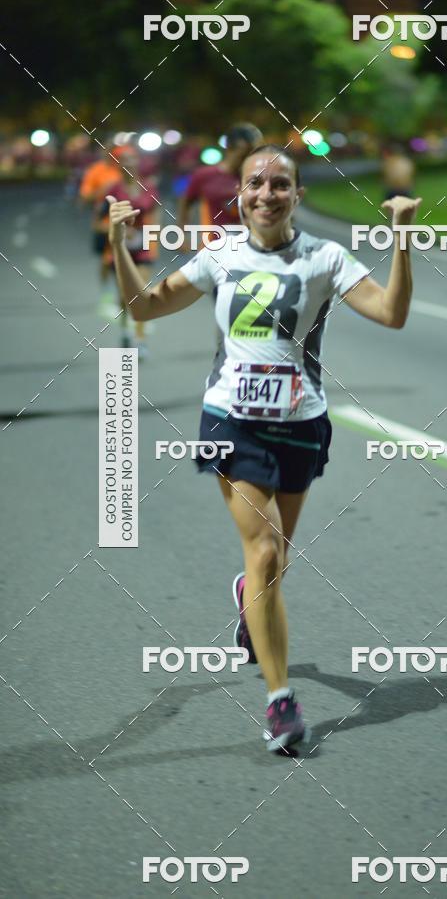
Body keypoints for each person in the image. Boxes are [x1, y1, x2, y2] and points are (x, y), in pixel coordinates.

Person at [108, 144, 421, 753]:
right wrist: (121, 247)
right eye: (256, 183)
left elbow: (391, 313)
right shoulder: (218, 256)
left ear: (297, 195)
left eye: (281, 184)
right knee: (268, 553)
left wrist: (402, 239)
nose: (267, 193)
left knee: (277, 561)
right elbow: (145, 303)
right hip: (233, 422)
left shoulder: (326, 257)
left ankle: (249, 604)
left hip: (302, 423)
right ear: (241, 195)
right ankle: (281, 703)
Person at [104, 146, 160, 356]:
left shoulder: (149, 187)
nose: (128, 163)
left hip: (143, 248)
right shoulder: (113, 189)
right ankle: (126, 329)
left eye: (132, 159)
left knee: (142, 294)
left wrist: (154, 239)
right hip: (120, 248)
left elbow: (155, 214)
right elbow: (102, 216)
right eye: (124, 160)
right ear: (118, 165)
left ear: (138, 163)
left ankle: (140, 339)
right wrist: (119, 230)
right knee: (124, 296)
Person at [177, 122, 262, 240]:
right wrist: (182, 232)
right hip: (213, 246)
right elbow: (186, 201)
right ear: (229, 149)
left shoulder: (258, 178)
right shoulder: (204, 175)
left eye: (252, 155)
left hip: (250, 246)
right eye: (243, 155)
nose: (247, 160)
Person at [79, 148, 123, 317]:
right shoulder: (96, 171)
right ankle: (106, 292)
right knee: (107, 262)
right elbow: (86, 197)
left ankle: (125, 297)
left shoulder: (128, 170)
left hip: (128, 225)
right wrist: (104, 190)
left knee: (125, 261)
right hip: (105, 224)